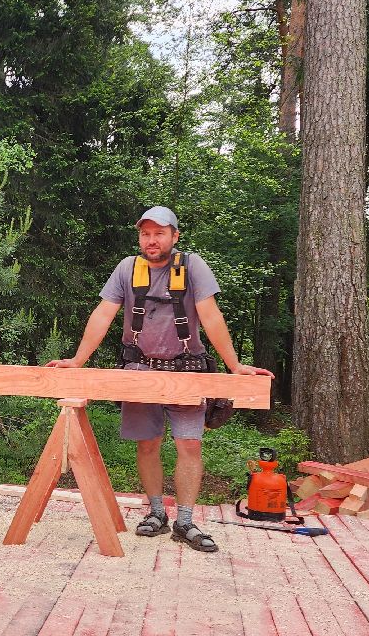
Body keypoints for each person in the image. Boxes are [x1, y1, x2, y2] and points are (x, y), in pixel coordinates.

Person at [48, 206, 272, 552]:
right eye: (145, 234)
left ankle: (185, 521)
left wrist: (235, 365)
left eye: (159, 233)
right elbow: (103, 314)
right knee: (148, 444)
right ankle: (155, 512)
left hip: (187, 371)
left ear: (174, 236)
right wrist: (77, 361)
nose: (151, 241)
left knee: (189, 445)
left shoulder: (192, 266)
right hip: (139, 370)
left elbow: (211, 316)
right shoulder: (127, 268)